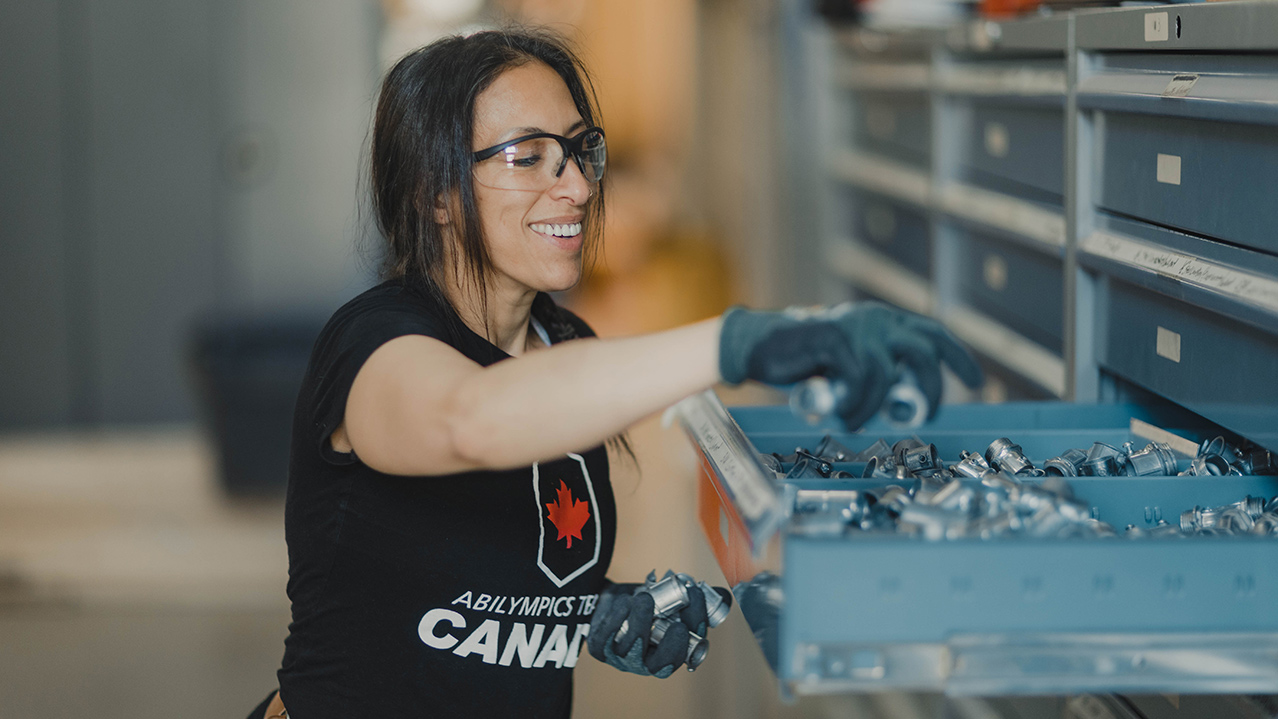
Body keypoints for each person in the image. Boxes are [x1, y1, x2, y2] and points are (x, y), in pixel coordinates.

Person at [249, 27, 982, 719]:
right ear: (435, 195)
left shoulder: (565, 347)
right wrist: (742, 340)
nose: (575, 186)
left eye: (577, 151)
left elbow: (482, 556)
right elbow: (469, 419)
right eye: (528, 155)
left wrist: (594, 608)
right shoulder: (373, 345)